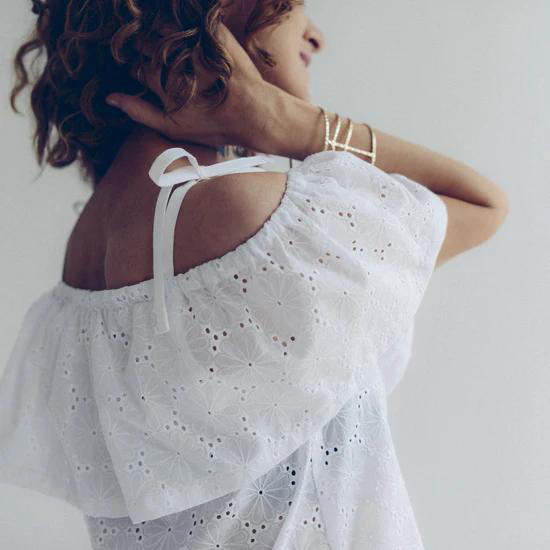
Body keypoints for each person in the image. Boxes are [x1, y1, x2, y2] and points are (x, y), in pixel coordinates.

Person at [1, 1, 509, 549]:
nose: (315, 36)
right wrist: (291, 125)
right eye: (296, 4)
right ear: (218, 10)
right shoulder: (262, 220)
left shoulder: (86, 248)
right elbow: (482, 206)